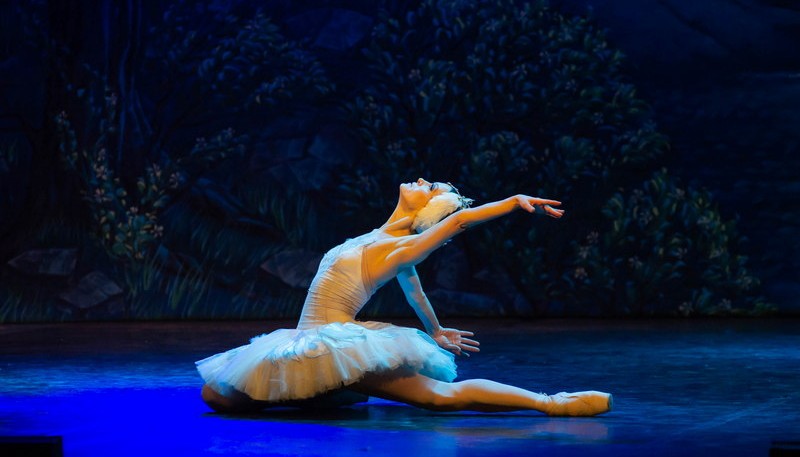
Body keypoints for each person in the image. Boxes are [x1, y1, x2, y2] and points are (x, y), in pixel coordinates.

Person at [197, 179, 612, 416]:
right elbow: (415, 292)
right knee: (215, 395)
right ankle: (337, 390)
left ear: (426, 210)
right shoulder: (381, 239)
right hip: (306, 338)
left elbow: (461, 221)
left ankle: (551, 403)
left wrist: (512, 203)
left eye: (429, 187)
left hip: (336, 342)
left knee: (438, 396)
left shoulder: (400, 249)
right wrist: (436, 329)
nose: (421, 181)